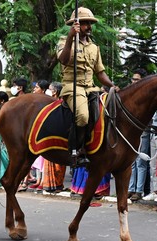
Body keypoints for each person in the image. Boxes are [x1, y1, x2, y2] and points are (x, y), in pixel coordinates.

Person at [57, 7, 117, 165]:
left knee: (110, 111)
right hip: (72, 87)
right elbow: (63, 60)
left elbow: (100, 73)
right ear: (76, 24)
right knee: (83, 115)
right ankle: (75, 150)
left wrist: (113, 86)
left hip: (91, 88)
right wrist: (71, 37)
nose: (89, 26)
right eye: (85, 23)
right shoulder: (65, 41)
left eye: (90, 23)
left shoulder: (94, 48)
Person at [127, 68, 151, 201]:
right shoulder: (130, 93)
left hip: (143, 130)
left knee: (141, 161)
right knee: (131, 161)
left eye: (137, 80)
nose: (134, 82)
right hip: (130, 131)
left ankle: (139, 190)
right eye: (133, 79)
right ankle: (130, 189)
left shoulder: (146, 95)